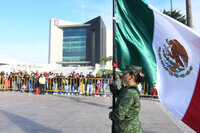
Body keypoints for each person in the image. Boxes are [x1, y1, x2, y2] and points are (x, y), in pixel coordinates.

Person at [109, 65, 143, 133]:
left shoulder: (130, 92)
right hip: (124, 127)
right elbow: (118, 93)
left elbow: (119, 115)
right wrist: (116, 83)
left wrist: (111, 114)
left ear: (132, 76)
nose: (123, 76)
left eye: (125, 74)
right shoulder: (126, 89)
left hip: (128, 129)